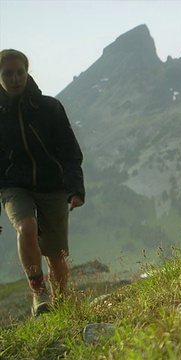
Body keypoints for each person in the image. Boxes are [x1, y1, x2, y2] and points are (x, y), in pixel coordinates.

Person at [0, 49, 85, 316]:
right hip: (14, 187)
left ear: (27, 72)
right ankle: (38, 292)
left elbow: (70, 151)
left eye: (20, 72)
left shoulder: (50, 108)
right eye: (7, 73)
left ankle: (62, 305)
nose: (15, 78)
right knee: (26, 227)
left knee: (56, 258)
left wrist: (74, 188)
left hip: (53, 186)